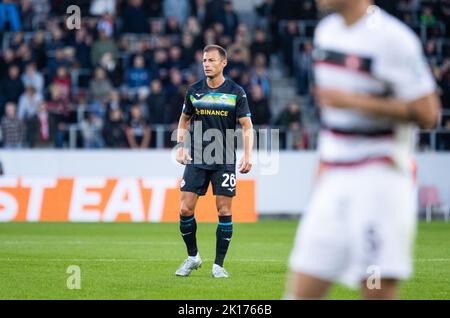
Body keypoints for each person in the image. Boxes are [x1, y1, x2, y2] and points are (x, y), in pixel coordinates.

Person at [286, 0, 441, 299]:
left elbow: (428, 113)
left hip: (378, 183)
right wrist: (321, 179)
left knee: (374, 291)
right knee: (300, 292)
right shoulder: (325, 32)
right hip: (334, 181)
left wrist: (355, 101)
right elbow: (333, 121)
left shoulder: (393, 39)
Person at [174, 45, 253, 278]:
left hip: (225, 158)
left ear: (223, 63)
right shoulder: (194, 91)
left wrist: (248, 155)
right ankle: (193, 257)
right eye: (204, 60)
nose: (206, 64)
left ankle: (218, 265)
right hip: (197, 156)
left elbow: (247, 126)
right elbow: (183, 121)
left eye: (211, 60)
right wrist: (180, 147)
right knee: (185, 208)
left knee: (224, 209)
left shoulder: (236, 92)